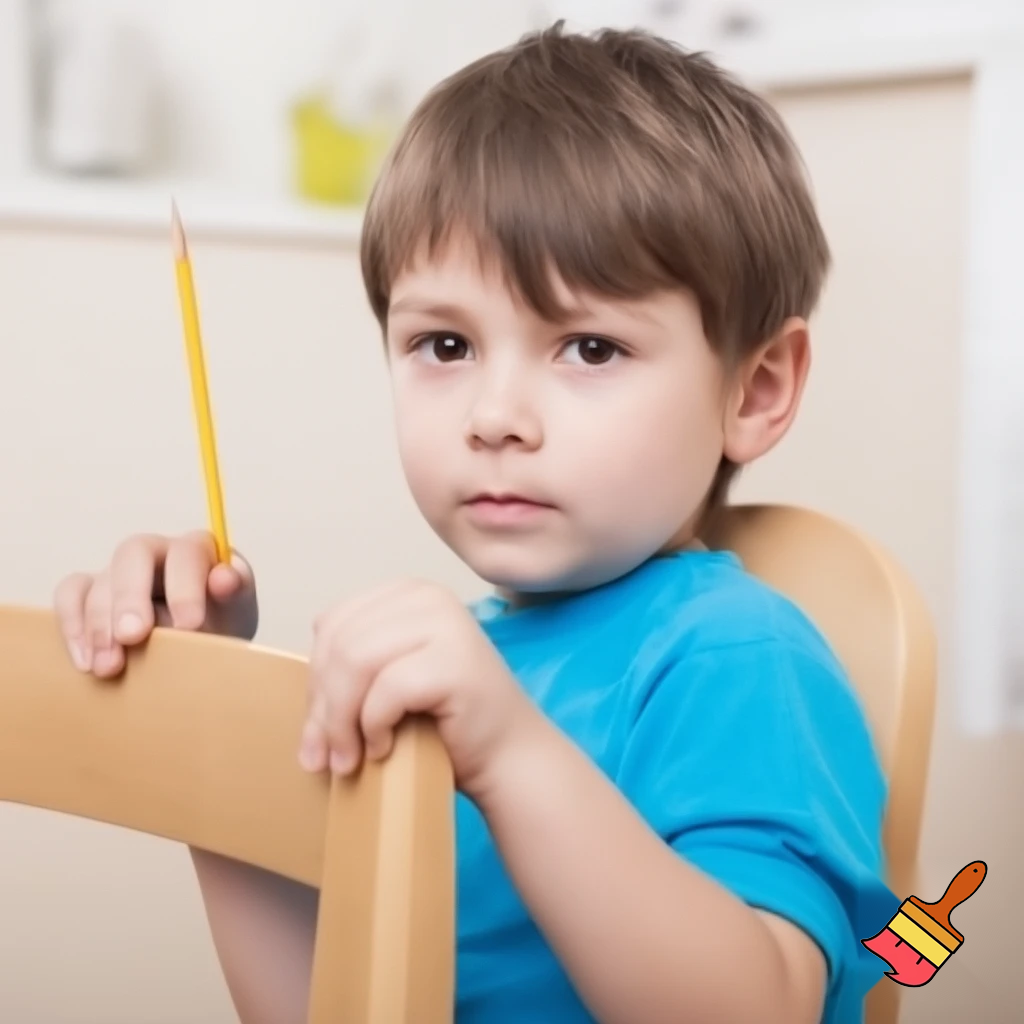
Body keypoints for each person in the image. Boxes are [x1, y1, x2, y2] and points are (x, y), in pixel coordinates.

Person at [52, 22, 898, 1024]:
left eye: (588, 347)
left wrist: (510, 754)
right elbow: (326, 1008)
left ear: (753, 389)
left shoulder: (733, 655)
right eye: (444, 342)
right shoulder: (449, 671)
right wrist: (205, 708)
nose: (494, 415)